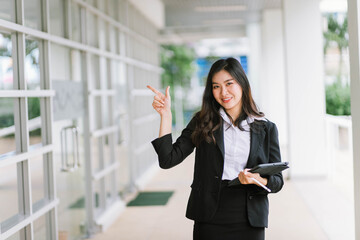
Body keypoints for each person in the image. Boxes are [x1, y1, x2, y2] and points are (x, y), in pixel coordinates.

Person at [147, 57, 284, 240]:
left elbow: (277, 181)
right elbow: (168, 159)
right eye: (216, 86)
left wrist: (258, 180)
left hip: (250, 216)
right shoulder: (202, 122)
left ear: (242, 84)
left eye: (229, 84)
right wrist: (166, 116)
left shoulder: (266, 128)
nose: (223, 92)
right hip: (210, 214)